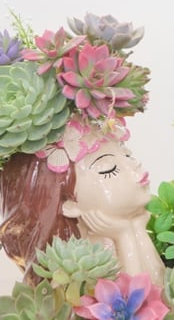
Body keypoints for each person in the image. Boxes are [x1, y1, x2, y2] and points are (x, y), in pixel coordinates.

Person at [0, 120, 165, 287]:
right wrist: (124, 236)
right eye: (109, 169)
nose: (133, 166)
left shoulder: (128, 225)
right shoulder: (79, 263)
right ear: (69, 204)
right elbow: (136, 302)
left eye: (127, 155)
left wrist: (136, 229)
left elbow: (159, 286)